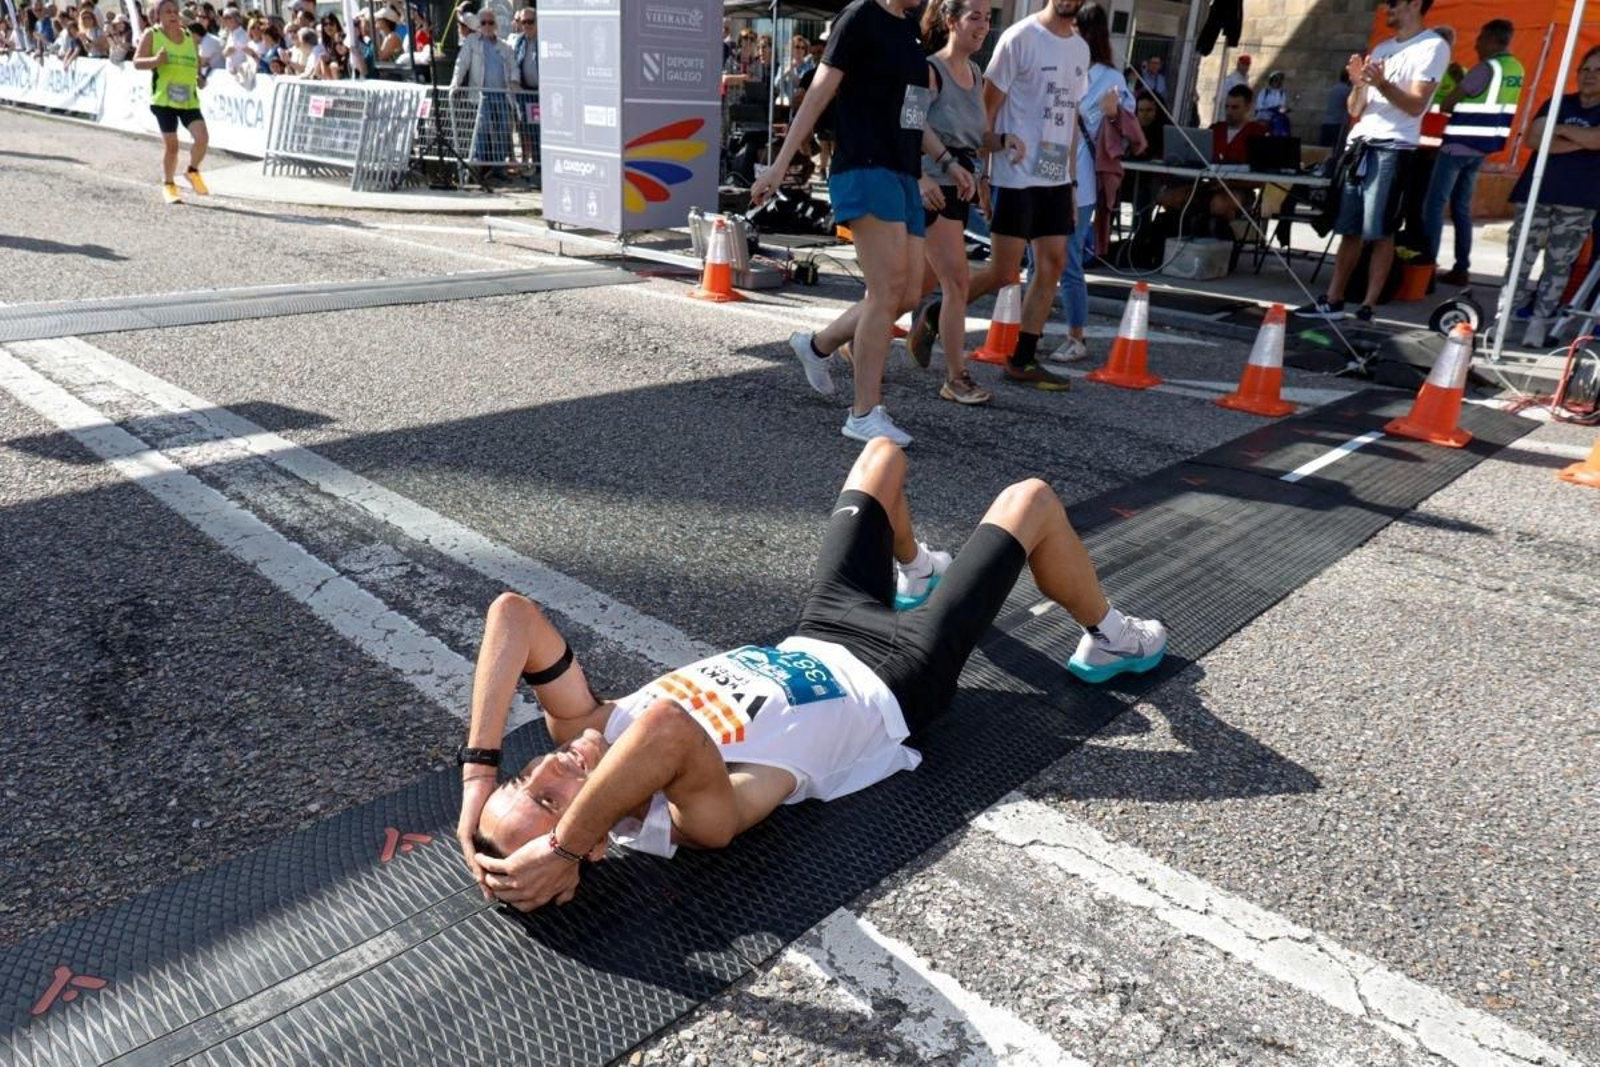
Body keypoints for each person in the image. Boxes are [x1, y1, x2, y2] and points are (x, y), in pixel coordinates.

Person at [455, 437, 1170, 912]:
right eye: (551, 800)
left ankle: (917, 567)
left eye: (529, 779)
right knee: (1032, 498)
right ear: (593, 841)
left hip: (824, 625)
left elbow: (512, 615)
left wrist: (480, 775)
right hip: (898, 675)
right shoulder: (691, 816)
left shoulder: (586, 725)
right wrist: (566, 846)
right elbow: (668, 733)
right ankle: (1109, 635)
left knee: (882, 456)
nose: (547, 764)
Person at [751, 0, 976, 447]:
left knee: (908, 294)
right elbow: (818, 93)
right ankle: (864, 413)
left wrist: (947, 162)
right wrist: (779, 165)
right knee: (886, 291)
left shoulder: (910, 30)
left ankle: (817, 345)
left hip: (905, 174)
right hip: (864, 167)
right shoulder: (858, 17)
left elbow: (911, 115)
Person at [961, 0, 1091, 391]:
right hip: (1013, 172)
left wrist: (1070, 182)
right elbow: (985, 108)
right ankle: (938, 311)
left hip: (1053, 174)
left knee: (1052, 263)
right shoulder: (1020, 37)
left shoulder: (1081, 48)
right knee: (1004, 272)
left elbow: (1067, 121)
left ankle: (1022, 358)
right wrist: (982, 174)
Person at [1294, 0, 1449, 323]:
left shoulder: (1432, 46)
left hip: (1393, 146)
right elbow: (1354, 110)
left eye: (1392, 3)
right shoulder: (1381, 48)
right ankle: (1333, 299)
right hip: (1360, 143)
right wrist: (1360, 86)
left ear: (1415, 4)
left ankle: (1368, 305)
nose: (1385, 9)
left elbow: (1416, 104)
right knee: (1348, 228)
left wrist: (1382, 83)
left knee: (1380, 230)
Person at [904, 0, 994, 405]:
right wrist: (922, 177)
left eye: (988, 18)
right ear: (950, 19)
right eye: (975, 17)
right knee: (956, 282)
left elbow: (974, 138)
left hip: (959, 185)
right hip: (932, 187)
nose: (983, 25)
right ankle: (956, 378)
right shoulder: (929, 69)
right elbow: (908, 124)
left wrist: (1003, 149)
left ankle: (851, 337)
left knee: (907, 290)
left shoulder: (975, 73)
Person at [1049, 0, 1131, 364]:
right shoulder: (1061, 64)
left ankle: (1076, 336)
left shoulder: (1111, 79)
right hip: (1046, 172)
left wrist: (1113, 116)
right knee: (1038, 259)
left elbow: (1124, 132)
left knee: (1067, 260)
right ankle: (1030, 328)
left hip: (1079, 179)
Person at [1502, 46, 1600, 348]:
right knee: (1519, 258)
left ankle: (1538, 324)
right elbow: (1533, 139)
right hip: (1537, 192)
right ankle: (1503, 318)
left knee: (1559, 264)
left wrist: (1556, 133)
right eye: (1586, 70)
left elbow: (1597, 140)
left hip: (1579, 199)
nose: (1590, 77)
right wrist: (1579, 140)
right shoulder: (1557, 101)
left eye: (1598, 72)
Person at [1422, 20, 1519, 286]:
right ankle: (1461, 267)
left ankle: (1425, 266)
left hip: (1458, 145)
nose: (1476, 44)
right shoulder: (1515, 69)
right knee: (1461, 208)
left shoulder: (1485, 68)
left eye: (1480, 38)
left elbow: (1449, 103)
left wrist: (1457, 86)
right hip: (1483, 147)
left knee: (1434, 206)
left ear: (1492, 39)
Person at [133, 0, 209, 205]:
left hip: (188, 99)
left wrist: (199, 78)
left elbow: (195, 63)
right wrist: (156, 61)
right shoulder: (152, 34)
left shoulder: (187, 36)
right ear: (159, 15)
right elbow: (137, 62)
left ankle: (192, 171)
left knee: (202, 138)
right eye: (167, 11)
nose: (173, 14)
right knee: (172, 146)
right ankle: (169, 185)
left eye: (175, 11)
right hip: (164, 100)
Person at [451, 9, 516, 179]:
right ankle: (478, 166)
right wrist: (455, 82)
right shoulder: (472, 41)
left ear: (495, 25)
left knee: (503, 131)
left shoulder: (505, 46)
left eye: (491, 22)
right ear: (479, 25)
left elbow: (513, 66)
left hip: (502, 94)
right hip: (482, 94)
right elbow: (462, 62)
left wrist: (515, 82)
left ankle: (499, 168)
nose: (487, 26)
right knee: (482, 129)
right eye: (484, 22)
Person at [511, 6, 538, 178]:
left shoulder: (545, 40)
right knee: (524, 128)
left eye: (530, 21)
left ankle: (538, 163)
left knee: (538, 129)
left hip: (541, 93)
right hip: (524, 92)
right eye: (523, 22)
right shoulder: (519, 41)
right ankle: (528, 162)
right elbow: (514, 64)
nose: (527, 25)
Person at [1319, 69, 1351, 147]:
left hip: (1326, 122)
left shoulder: (1334, 88)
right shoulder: (1347, 90)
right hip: (1338, 124)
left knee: (1323, 148)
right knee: (1336, 150)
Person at [1215, 52, 1250, 122]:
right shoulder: (1230, 80)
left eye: (1247, 65)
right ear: (1238, 64)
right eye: (1243, 64)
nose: (1245, 67)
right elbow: (1222, 97)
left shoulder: (1245, 80)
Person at [1255, 70, 1290, 136]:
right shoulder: (1264, 92)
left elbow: (1282, 105)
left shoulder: (1281, 93)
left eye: (1280, 80)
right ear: (1271, 81)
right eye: (1276, 80)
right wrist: (1269, 109)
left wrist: (1283, 109)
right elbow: (1259, 105)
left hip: (1276, 114)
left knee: (1285, 120)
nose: (1277, 83)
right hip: (1264, 114)